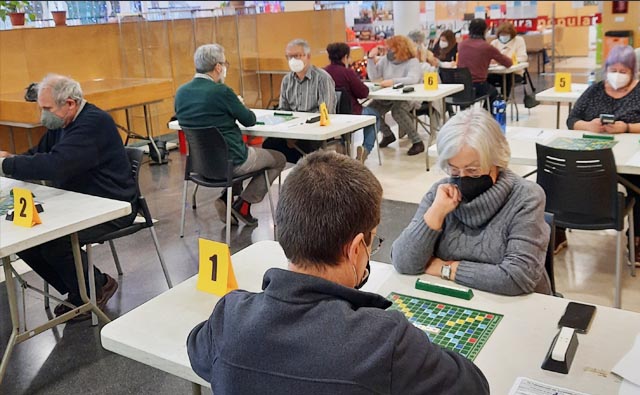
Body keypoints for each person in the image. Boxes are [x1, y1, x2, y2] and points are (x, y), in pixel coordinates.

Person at [187, 150, 489, 394]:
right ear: (356, 249)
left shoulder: (230, 316)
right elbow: (474, 386)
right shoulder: (384, 340)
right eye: (374, 240)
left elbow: (199, 350)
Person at [0, 74, 137, 321]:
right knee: (27, 237)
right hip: (78, 201)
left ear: (70, 104)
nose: (42, 115)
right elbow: (39, 154)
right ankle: (79, 289)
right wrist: (13, 159)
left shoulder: (93, 124)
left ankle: (96, 286)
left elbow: (56, 165)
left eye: (46, 108)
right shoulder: (61, 125)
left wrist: (8, 165)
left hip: (110, 204)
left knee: (53, 241)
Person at [392, 107, 551, 296]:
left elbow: (517, 278)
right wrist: (435, 214)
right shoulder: (440, 193)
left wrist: (445, 268)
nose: (462, 178)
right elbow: (403, 262)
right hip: (455, 301)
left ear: (497, 161)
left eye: (473, 170)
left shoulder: (526, 196)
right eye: (454, 170)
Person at [175, 44, 286, 226]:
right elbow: (249, 120)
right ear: (218, 67)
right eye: (225, 63)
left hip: (199, 166)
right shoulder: (222, 91)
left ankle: (227, 199)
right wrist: (238, 104)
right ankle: (244, 203)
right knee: (278, 159)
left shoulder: (181, 93)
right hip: (232, 163)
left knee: (229, 150)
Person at [565, 44, 640, 257]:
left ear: (632, 71)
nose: (617, 75)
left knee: (638, 184)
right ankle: (557, 232)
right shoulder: (595, 89)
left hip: (628, 158)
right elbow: (572, 119)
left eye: (623, 71)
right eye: (613, 70)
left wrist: (626, 127)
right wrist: (588, 125)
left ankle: (636, 237)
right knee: (557, 175)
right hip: (591, 156)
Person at [262, 38, 336, 164]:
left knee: (305, 147)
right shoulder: (287, 80)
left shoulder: (322, 78)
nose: (292, 60)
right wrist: (288, 133)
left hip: (314, 130)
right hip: (292, 130)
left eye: (296, 56)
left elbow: (326, 112)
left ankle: (308, 174)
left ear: (308, 56)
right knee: (269, 144)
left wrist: (299, 133)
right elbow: (283, 110)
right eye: (289, 57)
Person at [366, 35, 424, 155]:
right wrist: (370, 59)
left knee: (397, 111)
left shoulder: (412, 62)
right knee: (370, 111)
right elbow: (374, 77)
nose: (388, 51)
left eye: (391, 48)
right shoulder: (386, 60)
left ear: (400, 49)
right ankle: (388, 135)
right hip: (389, 96)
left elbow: (413, 78)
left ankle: (417, 142)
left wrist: (393, 81)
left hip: (408, 97)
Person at [324, 42, 379, 163]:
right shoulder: (347, 72)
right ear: (345, 57)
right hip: (352, 113)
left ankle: (343, 150)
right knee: (375, 115)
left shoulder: (323, 72)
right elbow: (363, 93)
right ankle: (365, 150)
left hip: (330, 116)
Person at [457, 18, 512, 109]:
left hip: (461, 87)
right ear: (485, 31)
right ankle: (485, 114)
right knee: (494, 94)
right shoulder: (486, 47)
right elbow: (508, 63)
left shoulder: (461, 45)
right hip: (478, 86)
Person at [488, 22, 528, 100]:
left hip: (514, 73)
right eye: (501, 34)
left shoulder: (519, 41)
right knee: (487, 79)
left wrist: (506, 60)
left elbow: (523, 57)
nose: (503, 36)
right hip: (497, 73)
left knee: (507, 78)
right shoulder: (494, 43)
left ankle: (503, 100)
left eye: (505, 34)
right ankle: (491, 101)